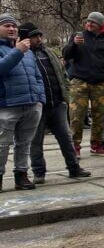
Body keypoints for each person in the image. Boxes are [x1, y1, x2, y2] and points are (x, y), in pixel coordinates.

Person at [18, 23, 90, 184]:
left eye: (39, 36)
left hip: (57, 103)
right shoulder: (22, 55)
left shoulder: (48, 53)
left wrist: (65, 95)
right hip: (37, 106)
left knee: (65, 137)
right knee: (35, 142)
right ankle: (39, 172)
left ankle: (74, 168)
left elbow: (62, 74)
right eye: (34, 36)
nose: (38, 39)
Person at [63, 11, 104, 157]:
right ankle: (75, 145)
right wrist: (74, 45)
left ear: (101, 25)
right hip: (79, 81)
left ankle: (97, 144)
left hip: (101, 83)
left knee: (99, 115)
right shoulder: (78, 36)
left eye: (93, 22)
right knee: (76, 115)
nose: (89, 24)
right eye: (88, 21)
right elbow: (66, 55)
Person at [0, 14, 46, 191]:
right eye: (7, 26)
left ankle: (21, 174)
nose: (12, 29)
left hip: (31, 104)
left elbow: (37, 76)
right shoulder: (21, 49)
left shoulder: (28, 52)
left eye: (14, 26)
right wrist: (18, 51)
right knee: (3, 144)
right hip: (7, 105)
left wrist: (39, 99)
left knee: (24, 143)